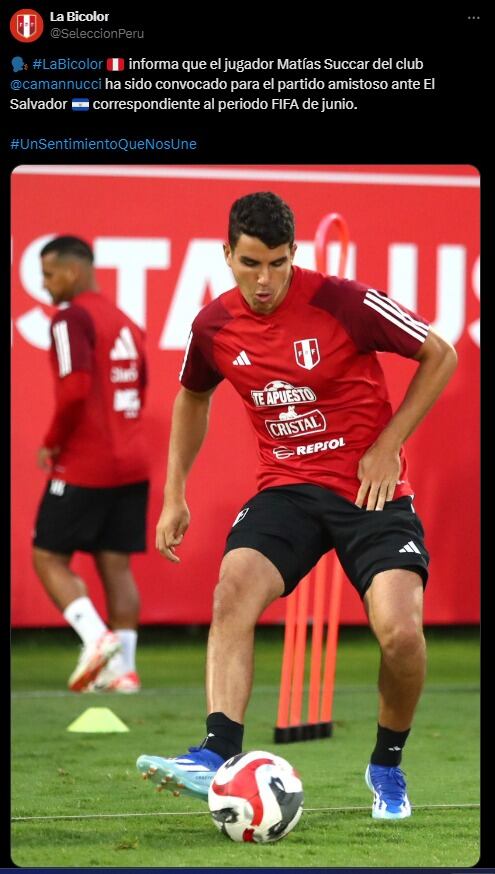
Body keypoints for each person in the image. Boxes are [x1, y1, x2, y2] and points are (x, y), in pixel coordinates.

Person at [137, 192, 457, 818]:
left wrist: (388, 444)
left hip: (372, 492)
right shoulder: (213, 326)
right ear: (227, 254)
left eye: (278, 264)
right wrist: (175, 492)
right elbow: (191, 398)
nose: (264, 280)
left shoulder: (344, 301)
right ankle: (215, 752)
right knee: (232, 589)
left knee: (401, 635)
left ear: (294, 255)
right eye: (251, 263)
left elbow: (438, 354)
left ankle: (387, 763)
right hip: (286, 488)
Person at [32, 236, 150, 694]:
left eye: (49, 274)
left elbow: (76, 390)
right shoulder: (125, 321)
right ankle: (125, 673)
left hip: (86, 461)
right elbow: (140, 387)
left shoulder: (70, 317)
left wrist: (52, 442)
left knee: (47, 556)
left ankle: (95, 638)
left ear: (74, 271)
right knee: (116, 566)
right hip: (131, 461)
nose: (46, 286)